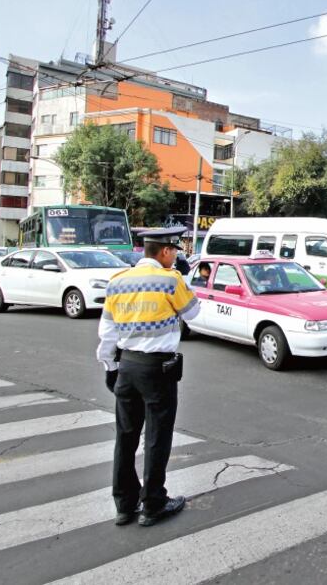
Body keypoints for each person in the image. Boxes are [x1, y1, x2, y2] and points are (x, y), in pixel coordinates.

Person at [96, 226, 201, 528]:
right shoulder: (170, 280)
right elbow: (193, 313)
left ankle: (124, 505)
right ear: (166, 251)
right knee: (156, 437)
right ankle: (153, 504)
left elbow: (107, 333)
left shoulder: (117, 281)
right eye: (175, 252)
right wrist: (182, 277)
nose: (176, 257)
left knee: (125, 438)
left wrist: (109, 367)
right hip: (157, 370)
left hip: (126, 366)